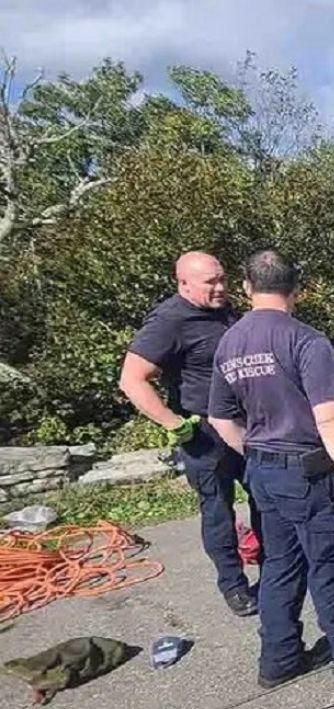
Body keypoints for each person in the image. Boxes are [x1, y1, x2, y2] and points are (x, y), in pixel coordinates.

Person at [208, 250, 334, 687]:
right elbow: (330, 417)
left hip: (262, 470)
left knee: (279, 564)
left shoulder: (229, 342)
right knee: (331, 558)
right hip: (308, 472)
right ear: (296, 288)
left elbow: (221, 418)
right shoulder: (305, 341)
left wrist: (257, 453)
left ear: (246, 287)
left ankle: (278, 660)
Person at [119, 251, 260, 617]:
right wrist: (172, 423)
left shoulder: (225, 311)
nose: (220, 288)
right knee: (217, 509)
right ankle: (234, 585)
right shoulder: (169, 320)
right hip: (204, 433)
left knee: (266, 494)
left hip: (245, 423)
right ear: (183, 283)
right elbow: (132, 379)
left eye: (223, 279)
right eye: (210, 282)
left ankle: (276, 566)